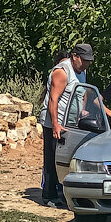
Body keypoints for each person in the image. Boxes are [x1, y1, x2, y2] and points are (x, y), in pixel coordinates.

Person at [38, 43, 94, 208]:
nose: (86, 64)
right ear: (75, 56)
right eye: (84, 60)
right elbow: (53, 99)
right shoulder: (62, 72)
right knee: (52, 159)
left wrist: (82, 111)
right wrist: (55, 124)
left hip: (71, 123)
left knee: (67, 160)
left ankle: (63, 193)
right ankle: (49, 196)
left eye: (89, 61)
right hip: (56, 123)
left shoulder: (82, 72)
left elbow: (82, 92)